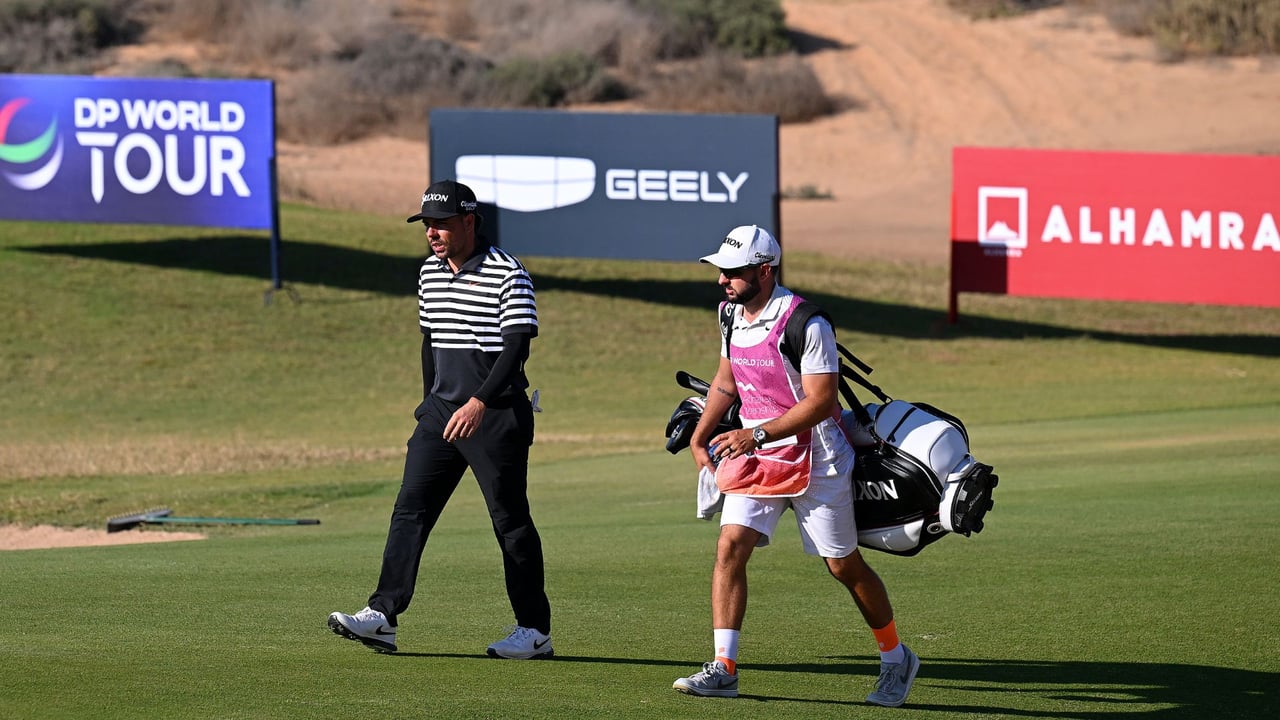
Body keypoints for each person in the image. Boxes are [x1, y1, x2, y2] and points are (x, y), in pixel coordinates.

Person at [672, 224, 919, 706]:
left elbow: (822, 401)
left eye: (734, 271)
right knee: (730, 546)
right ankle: (724, 667)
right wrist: (703, 433)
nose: (723, 279)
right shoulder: (729, 314)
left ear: (765, 270)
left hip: (818, 455)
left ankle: (896, 658)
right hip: (756, 453)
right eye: (720, 270)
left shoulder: (807, 322)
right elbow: (727, 379)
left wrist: (754, 433)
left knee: (843, 566)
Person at [328, 179, 553, 659]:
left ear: (469, 222)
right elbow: (430, 341)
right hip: (441, 415)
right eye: (427, 224)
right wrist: (429, 402)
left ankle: (534, 631)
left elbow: (516, 349)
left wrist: (479, 403)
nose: (432, 233)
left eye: (442, 224)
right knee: (410, 509)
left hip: (494, 417)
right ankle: (383, 615)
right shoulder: (429, 273)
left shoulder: (509, 273)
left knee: (510, 521)